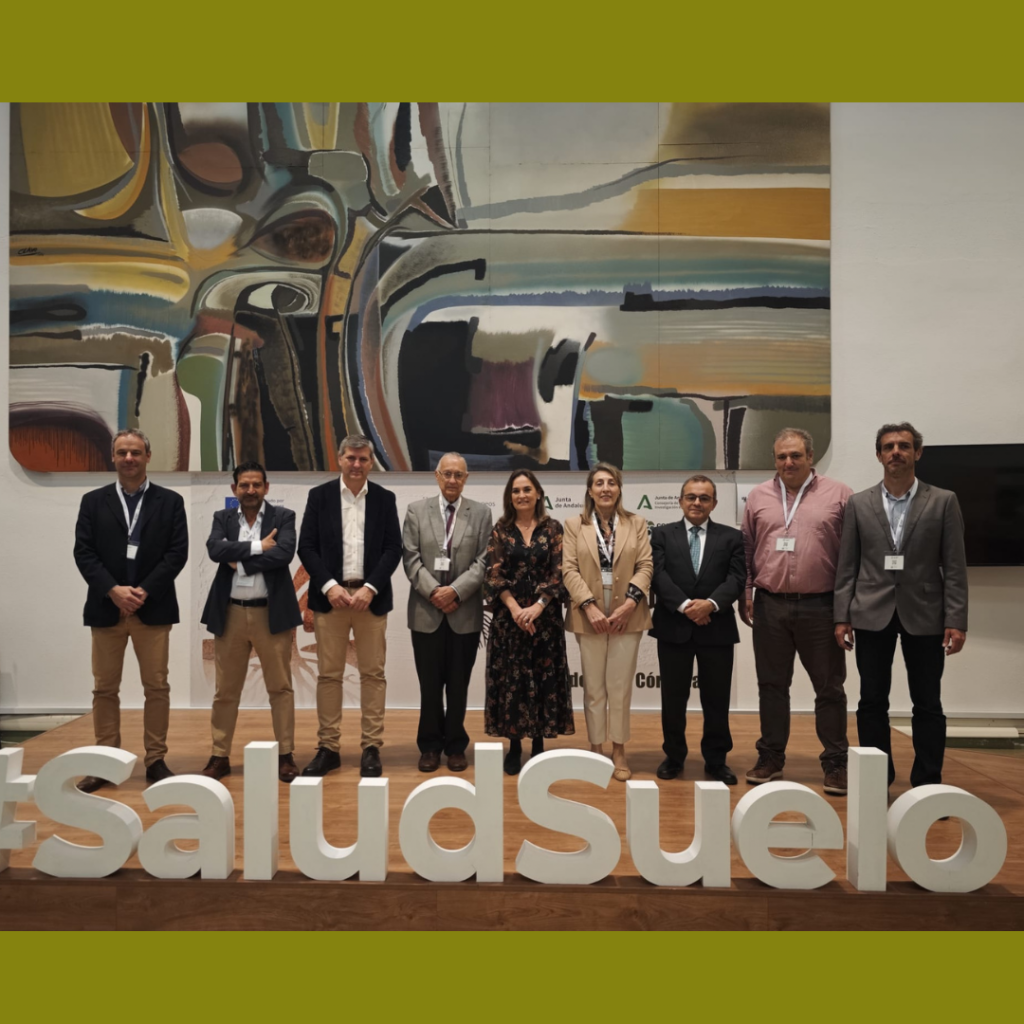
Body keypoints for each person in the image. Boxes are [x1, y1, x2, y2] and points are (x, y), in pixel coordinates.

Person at [834, 422, 968, 788]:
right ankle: (876, 782)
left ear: (917, 453)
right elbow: (847, 565)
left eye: (904, 446)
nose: (896, 452)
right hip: (870, 613)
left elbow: (955, 567)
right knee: (871, 701)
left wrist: (956, 619)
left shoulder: (943, 501)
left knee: (928, 703)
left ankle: (927, 783)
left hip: (925, 615)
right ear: (879, 455)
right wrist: (841, 616)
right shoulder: (858, 503)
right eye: (889, 446)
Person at [72, 428, 188, 791]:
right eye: (122, 452)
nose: (129, 459)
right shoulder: (93, 501)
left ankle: (156, 760)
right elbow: (84, 553)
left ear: (147, 456)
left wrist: (143, 592)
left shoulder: (170, 501)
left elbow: (177, 554)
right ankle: (105, 762)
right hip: (106, 608)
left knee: (157, 686)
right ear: (113, 456)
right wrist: (113, 590)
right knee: (104, 688)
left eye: (136, 452)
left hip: (152, 608)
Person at [741, 427, 853, 794]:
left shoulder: (840, 495)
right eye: (782, 456)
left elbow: (852, 555)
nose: (788, 462)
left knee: (829, 687)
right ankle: (771, 756)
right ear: (774, 459)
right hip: (770, 604)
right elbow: (747, 549)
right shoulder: (758, 496)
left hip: (822, 606)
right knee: (772, 685)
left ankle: (836, 762)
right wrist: (747, 591)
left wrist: (845, 610)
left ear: (810, 457)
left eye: (796, 455)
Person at [297, 435, 402, 778]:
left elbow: (393, 549)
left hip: (370, 601)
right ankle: (328, 748)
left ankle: (371, 747)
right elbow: (306, 547)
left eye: (363, 459)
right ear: (340, 459)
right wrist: (329, 586)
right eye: (351, 458)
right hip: (331, 601)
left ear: (371, 462)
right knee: (329, 675)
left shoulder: (384, 499)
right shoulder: (320, 496)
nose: (357, 464)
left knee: (373, 675)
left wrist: (370, 588)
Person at [199, 461, 303, 784]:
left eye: (257, 484)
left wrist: (240, 562)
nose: (251, 490)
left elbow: (283, 554)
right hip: (230, 613)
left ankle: (285, 755)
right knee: (225, 691)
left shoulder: (283, 517)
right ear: (234, 489)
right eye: (244, 485)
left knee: (280, 688)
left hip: (270, 614)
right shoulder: (222, 518)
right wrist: (259, 546)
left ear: (266, 487)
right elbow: (215, 549)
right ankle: (219, 755)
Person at [650, 475, 745, 784]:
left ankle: (716, 760)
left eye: (704, 498)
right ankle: (674, 756)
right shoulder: (661, 535)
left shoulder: (731, 537)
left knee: (717, 699)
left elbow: (736, 578)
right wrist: (687, 606)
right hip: (673, 627)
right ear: (680, 501)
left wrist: (711, 605)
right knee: (673, 699)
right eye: (691, 497)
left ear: (714, 503)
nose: (697, 502)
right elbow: (658, 576)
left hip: (716, 628)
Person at [403, 452, 493, 772]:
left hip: (464, 612)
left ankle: (455, 745)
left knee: (458, 685)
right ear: (437, 476)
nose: (453, 480)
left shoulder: (481, 513)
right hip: (425, 612)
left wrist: (455, 591)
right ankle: (429, 746)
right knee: (429, 685)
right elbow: (411, 558)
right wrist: (434, 592)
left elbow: (484, 561)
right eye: (447, 474)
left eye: (459, 475)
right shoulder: (416, 511)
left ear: (466, 479)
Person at [562, 462, 651, 781]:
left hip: (628, 613)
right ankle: (595, 747)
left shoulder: (636, 523)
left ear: (619, 488)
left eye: (611, 482)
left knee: (620, 686)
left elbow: (646, 565)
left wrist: (629, 604)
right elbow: (569, 569)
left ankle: (619, 748)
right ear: (590, 490)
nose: (605, 488)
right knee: (594, 687)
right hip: (590, 614)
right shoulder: (574, 525)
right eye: (599, 483)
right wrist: (588, 606)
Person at [484, 470, 574, 774]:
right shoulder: (501, 529)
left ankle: (538, 744)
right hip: (509, 621)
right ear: (509, 497)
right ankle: (514, 745)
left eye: (526, 489)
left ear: (538, 494)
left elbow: (559, 571)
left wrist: (537, 607)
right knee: (513, 681)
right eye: (516, 490)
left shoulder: (553, 528)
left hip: (544, 621)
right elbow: (494, 573)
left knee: (542, 678)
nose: (521, 495)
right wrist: (514, 609)